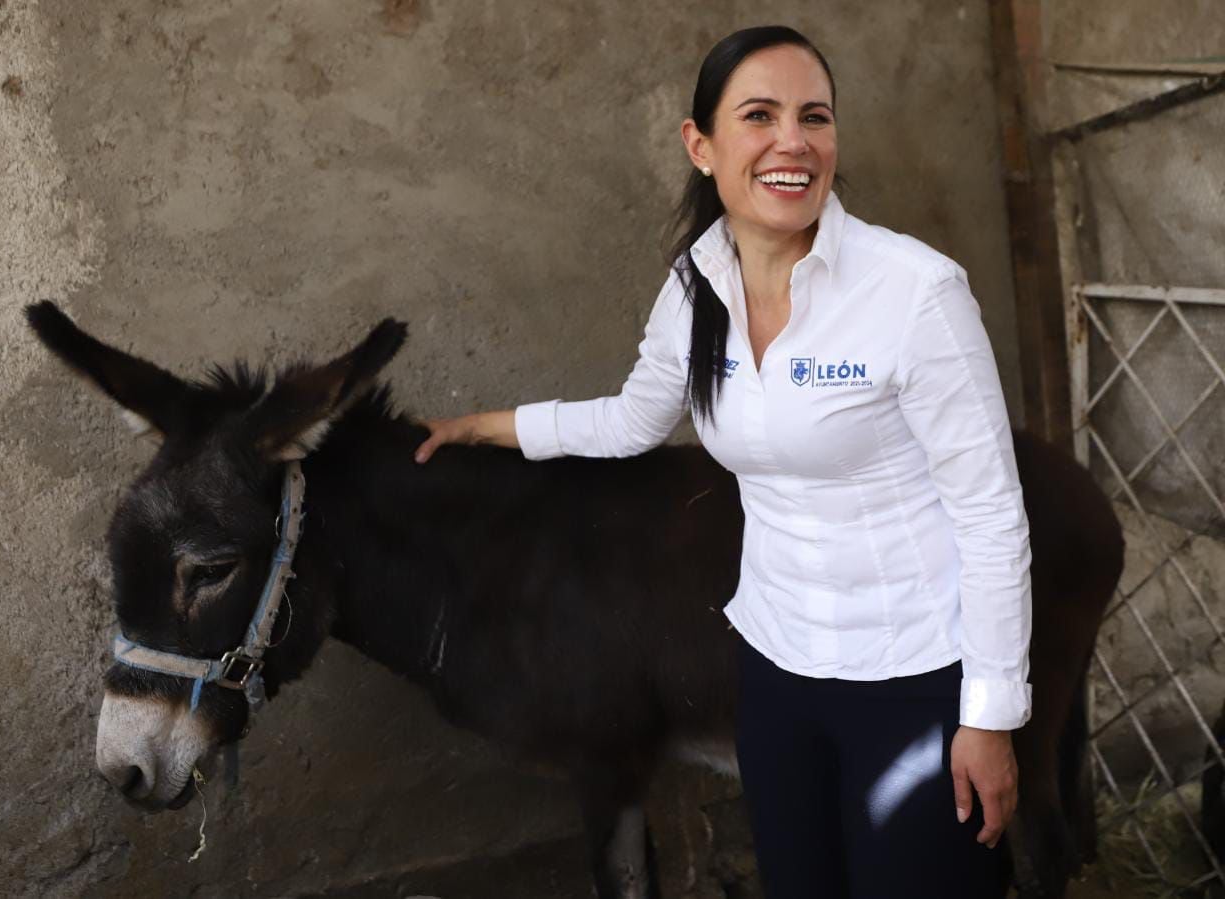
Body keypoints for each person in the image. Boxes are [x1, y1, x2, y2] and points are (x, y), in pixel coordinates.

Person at [413, 25, 1029, 899]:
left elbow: (991, 514)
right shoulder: (695, 290)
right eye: (760, 116)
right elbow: (632, 419)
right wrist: (485, 428)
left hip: (911, 677)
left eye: (814, 117)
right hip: (775, 672)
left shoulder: (915, 292)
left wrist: (990, 716)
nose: (793, 142)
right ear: (701, 146)